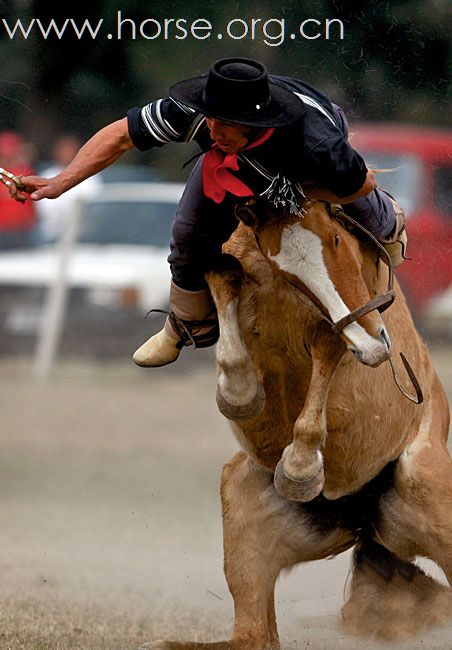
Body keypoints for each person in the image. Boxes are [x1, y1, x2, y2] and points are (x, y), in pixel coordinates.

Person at [10, 57, 406, 367]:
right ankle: (181, 326)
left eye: (225, 123)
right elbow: (120, 136)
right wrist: (61, 182)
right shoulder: (197, 113)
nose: (211, 128)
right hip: (232, 165)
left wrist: (296, 191)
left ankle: (392, 226)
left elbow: (360, 184)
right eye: (210, 118)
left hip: (310, 170)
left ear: (254, 122)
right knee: (187, 234)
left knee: (371, 217)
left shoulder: (318, 143)